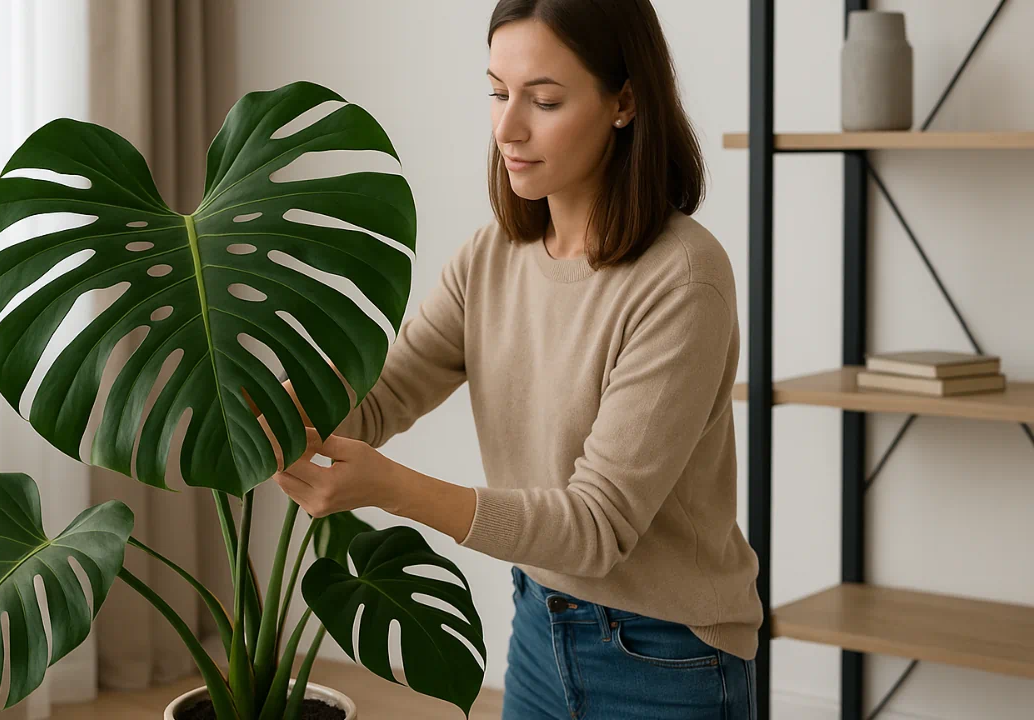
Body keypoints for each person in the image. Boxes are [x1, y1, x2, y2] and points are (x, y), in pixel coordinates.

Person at [261, 0, 763, 717]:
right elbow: (382, 397)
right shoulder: (492, 256)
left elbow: (596, 528)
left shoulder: (681, 280)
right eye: (498, 92)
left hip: (665, 658)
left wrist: (389, 487)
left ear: (625, 100)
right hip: (539, 625)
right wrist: (282, 400)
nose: (507, 127)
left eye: (544, 100)